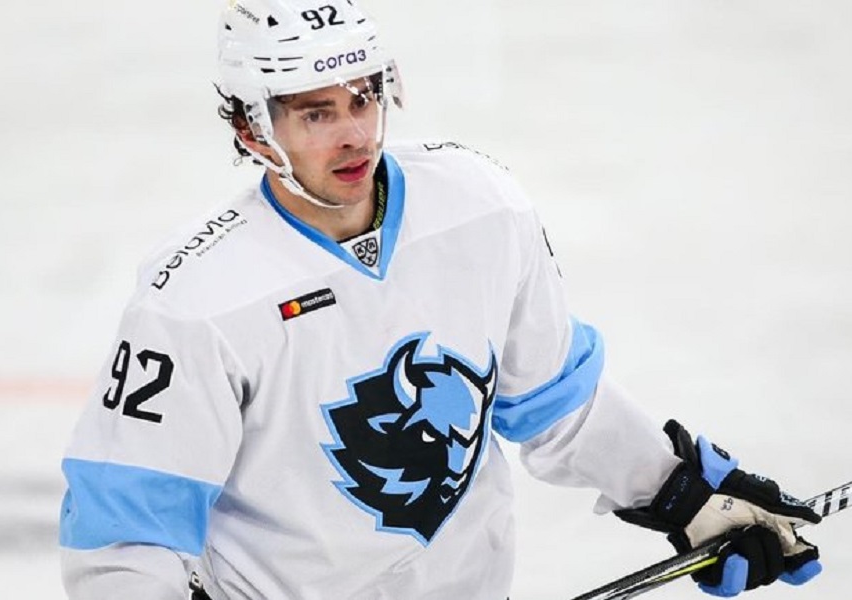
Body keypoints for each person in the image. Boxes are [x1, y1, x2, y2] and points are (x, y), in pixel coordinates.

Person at [58, 1, 824, 598]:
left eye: (362, 98)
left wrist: (681, 494)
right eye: (316, 113)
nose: (354, 134)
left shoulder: (478, 209)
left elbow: (556, 404)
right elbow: (127, 533)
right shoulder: (195, 300)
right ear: (251, 129)